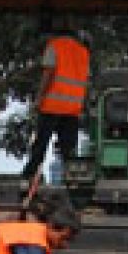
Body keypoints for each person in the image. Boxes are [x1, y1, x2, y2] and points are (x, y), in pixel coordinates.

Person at [20, 29, 90, 182]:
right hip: (72, 108)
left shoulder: (54, 46)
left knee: (41, 143)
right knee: (68, 149)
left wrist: (39, 97)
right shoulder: (83, 52)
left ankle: (29, 176)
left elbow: (48, 74)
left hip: (52, 105)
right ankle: (73, 179)